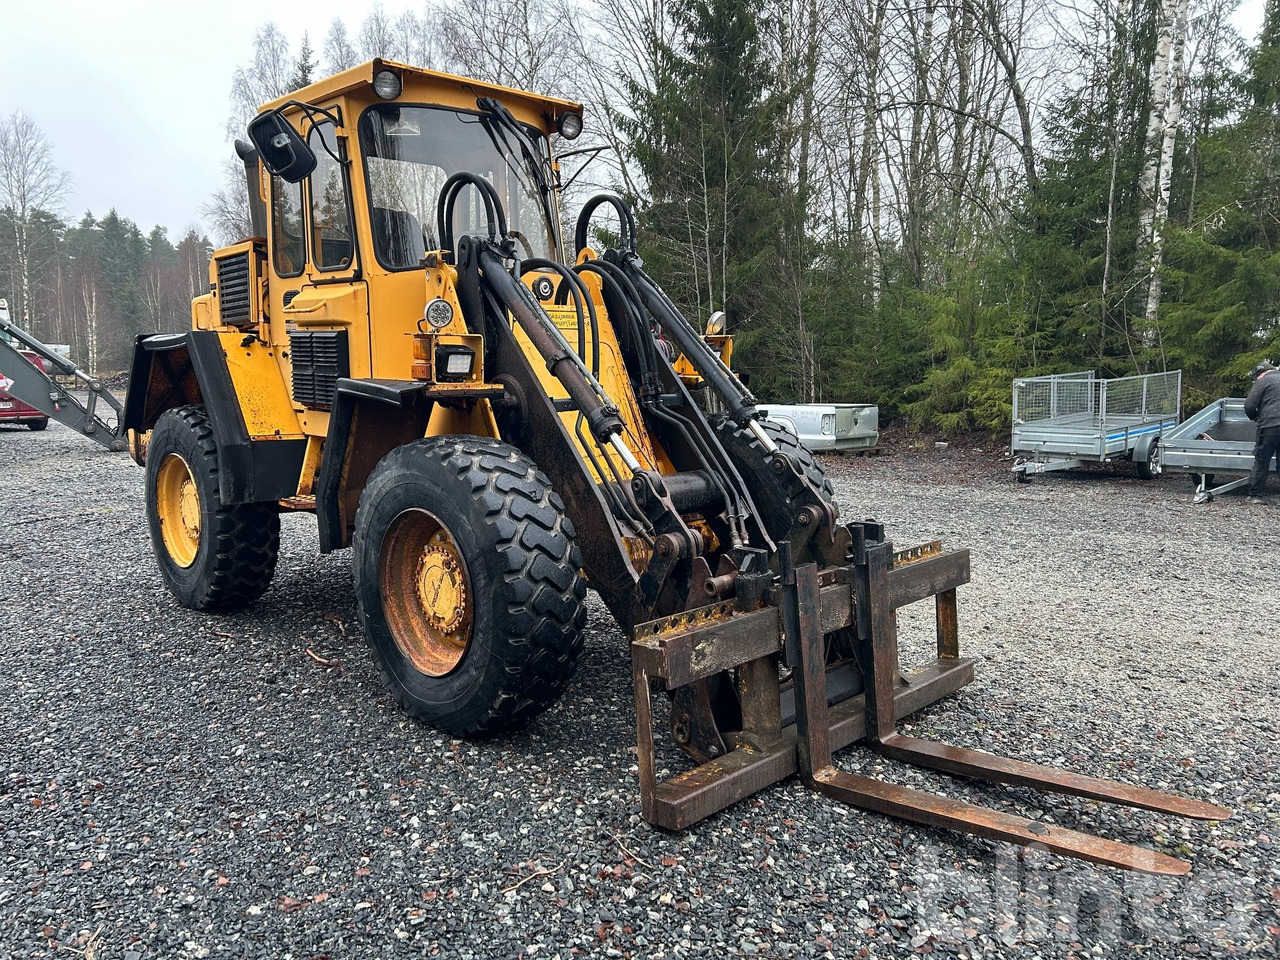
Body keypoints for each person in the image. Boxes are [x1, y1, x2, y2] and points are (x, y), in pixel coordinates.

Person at [1244, 360, 1280, 504]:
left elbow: (1250, 405)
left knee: (1262, 460)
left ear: (1261, 373)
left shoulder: (1263, 381)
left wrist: (1253, 416)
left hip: (1270, 425)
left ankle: (1255, 495)